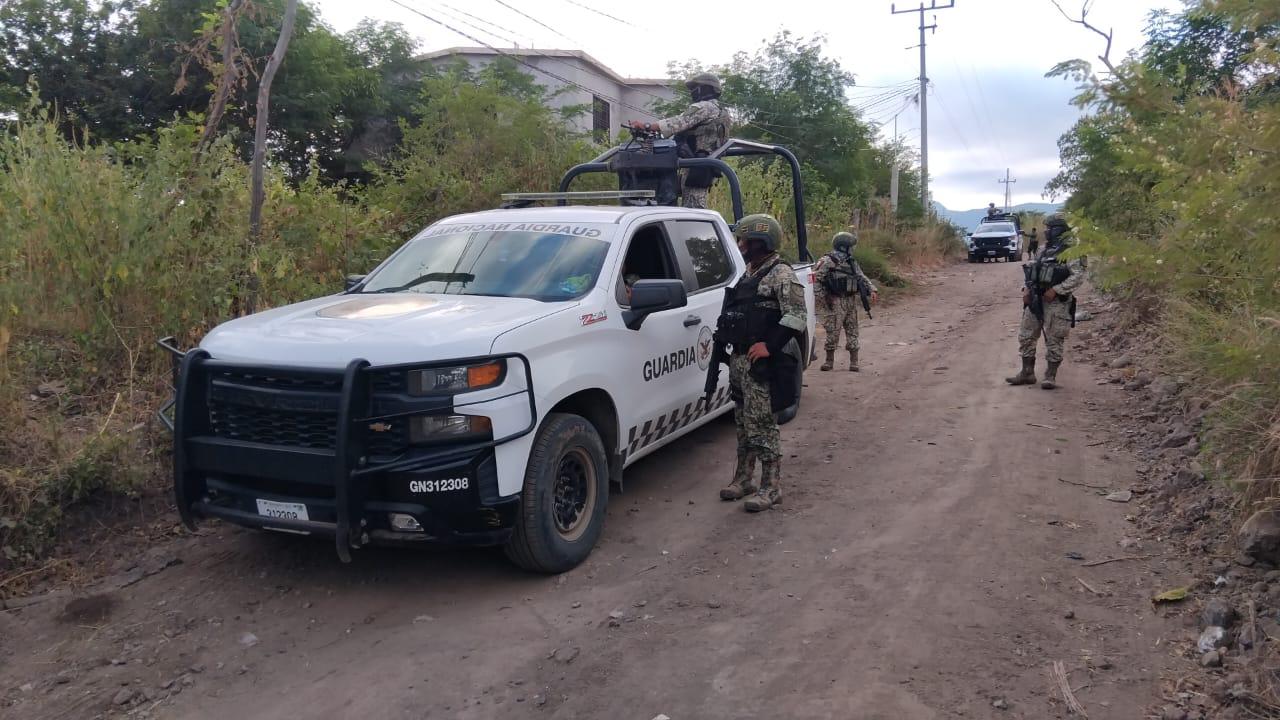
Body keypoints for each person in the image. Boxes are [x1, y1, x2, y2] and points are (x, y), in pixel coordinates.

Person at [716, 214, 806, 512]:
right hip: (740, 359)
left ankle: (771, 487)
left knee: (762, 424)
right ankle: (744, 479)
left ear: (761, 242)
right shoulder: (749, 273)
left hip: (760, 363)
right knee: (742, 422)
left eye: (745, 240)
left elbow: (796, 316)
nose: (740, 244)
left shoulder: (780, 274)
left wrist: (769, 345)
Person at [1006, 213, 1086, 390]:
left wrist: (1056, 290)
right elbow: (1033, 270)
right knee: (1026, 335)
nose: (1046, 231)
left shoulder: (1072, 252)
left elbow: (1078, 276)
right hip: (1036, 298)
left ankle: (1050, 376)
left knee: (1054, 338)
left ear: (1058, 230)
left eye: (1049, 228)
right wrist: (1026, 289)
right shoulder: (1043, 249)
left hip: (1058, 301)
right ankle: (1027, 373)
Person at [627, 73, 731, 209]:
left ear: (706, 88)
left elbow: (679, 122)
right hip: (702, 164)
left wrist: (648, 126)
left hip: (696, 164)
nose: (693, 92)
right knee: (688, 205)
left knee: (692, 210)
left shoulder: (705, 107)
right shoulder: (722, 112)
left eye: (696, 87)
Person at [812, 231, 878, 371]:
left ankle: (854, 362)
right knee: (833, 331)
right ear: (844, 247)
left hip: (850, 301)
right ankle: (829, 361)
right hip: (835, 301)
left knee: (852, 330)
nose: (853, 250)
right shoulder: (827, 261)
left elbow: (861, 276)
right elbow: (816, 279)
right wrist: (823, 298)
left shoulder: (851, 262)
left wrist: (872, 289)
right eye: (851, 247)